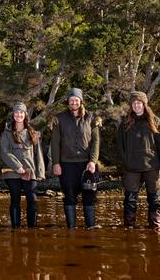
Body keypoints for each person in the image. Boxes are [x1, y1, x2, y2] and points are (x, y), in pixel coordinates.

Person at [117, 91, 160, 231]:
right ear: (131, 105)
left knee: (155, 199)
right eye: (134, 103)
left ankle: (155, 228)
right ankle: (129, 227)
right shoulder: (125, 123)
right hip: (131, 168)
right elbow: (120, 146)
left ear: (144, 104)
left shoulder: (155, 121)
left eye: (139, 102)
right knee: (130, 200)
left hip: (152, 167)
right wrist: (126, 161)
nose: (136, 105)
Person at [50, 88, 100, 229]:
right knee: (69, 197)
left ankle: (90, 228)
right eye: (71, 100)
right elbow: (55, 143)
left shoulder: (92, 118)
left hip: (87, 165)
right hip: (66, 165)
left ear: (81, 101)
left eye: (76, 100)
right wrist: (56, 163)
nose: (74, 102)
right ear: (68, 102)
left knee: (89, 198)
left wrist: (93, 161)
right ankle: (71, 229)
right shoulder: (59, 119)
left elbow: (96, 142)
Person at [0, 103, 45, 228]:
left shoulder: (32, 133)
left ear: (25, 115)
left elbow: (38, 154)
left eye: (21, 112)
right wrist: (17, 166)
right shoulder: (7, 133)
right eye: (16, 112)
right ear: (13, 115)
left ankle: (32, 229)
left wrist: (40, 172)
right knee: (15, 200)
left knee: (33, 200)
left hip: (30, 172)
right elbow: (4, 152)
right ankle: (15, 229)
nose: (19, 115)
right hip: (12, 172)